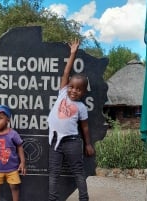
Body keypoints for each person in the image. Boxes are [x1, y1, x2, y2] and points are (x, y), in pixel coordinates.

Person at [47, 39, 95, 201]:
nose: (74, 91)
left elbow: (85, 127)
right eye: (71, 87)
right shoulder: (62, 94)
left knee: (78, 172)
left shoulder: (81, 107)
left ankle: (84, 198)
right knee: (53, 173)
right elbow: (66, 73)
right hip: (55, 142)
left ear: (83, 92)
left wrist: (87, 144)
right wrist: (73, 53)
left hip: (73, 142)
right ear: (67, 86)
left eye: (78, 89)